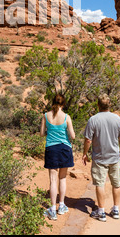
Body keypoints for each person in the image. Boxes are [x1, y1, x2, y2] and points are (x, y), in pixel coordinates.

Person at [82, 94, 120, 222]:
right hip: (114, 157)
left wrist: (85, 153)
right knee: (116, 184)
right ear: (109, 105)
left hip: (99, 158)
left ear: (98, 105)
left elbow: (88, 139)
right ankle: (116, 209)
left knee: (100, 184)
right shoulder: (117, 118)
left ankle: (101, 212)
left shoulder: (93, 119)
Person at [40, 93, 75, 221]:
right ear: (63, 103)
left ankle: (53, 209)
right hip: (65, 148)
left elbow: (41, 133)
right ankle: (62, 206)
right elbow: (73, 136)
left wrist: (51, 132)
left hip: (51, 148)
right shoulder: (66, 117)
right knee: (63, 178)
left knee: (53, 180)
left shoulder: (45, 116)